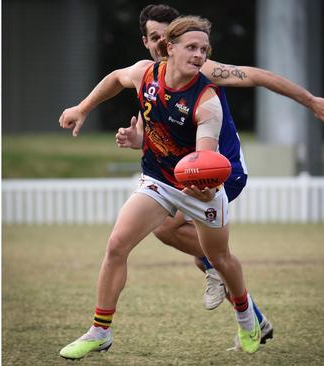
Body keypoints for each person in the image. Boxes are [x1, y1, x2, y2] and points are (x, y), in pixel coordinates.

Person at [117, 4, 324, 348]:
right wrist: (140, 140)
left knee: (174, 231)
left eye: (168, 36)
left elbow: (257, 76)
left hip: (221, 170)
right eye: (155, 37)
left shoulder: (204, 70)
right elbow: (169, 138)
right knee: (178, 236)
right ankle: (250, 311)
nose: (161, 43)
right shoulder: (152, 79)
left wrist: (311, 100)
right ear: (149, 42)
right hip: (186, 176)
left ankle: (224, 274)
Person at [58, 16, 263, 359]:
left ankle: (246, 317)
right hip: (158, 181)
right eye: (192, 47)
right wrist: (83, 108)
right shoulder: (145, 74)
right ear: (170, 49)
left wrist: (203, 188)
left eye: (204, 49)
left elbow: (204, 158)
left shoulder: (207, 101)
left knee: (220, 258)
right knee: (117, 245)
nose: (199, 55)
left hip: (202, 189)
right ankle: (100, 331)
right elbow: (114, 79)